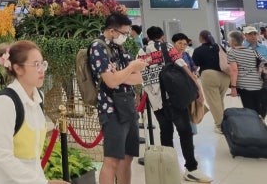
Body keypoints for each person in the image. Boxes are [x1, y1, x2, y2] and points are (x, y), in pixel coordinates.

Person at [0, 40, 68, 184]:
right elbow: (3, 156)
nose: (42, 70)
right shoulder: (5, 103)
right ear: (18, 69)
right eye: (36, 65)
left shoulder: (38, 97)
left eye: (43, 64)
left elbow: (33, 157)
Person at [138, 27, 211, 183]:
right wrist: (198, 89)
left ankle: (168, 167)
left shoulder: (142, 52)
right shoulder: (167, 47)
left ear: (148, 37)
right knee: (184, 131)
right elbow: (184, 67)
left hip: (155, 99)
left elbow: (141, 76)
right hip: (174, 96)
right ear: (162, 37)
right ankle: (191, 169)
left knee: (165, 132)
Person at [89, 12, 147, 184]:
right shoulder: (98, 47)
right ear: (112, 31)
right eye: (124, 33)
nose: (126, 37)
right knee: (112, 159)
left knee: (128, 157)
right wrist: (130, 68)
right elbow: (111, 81)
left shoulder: (120, 47)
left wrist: (121, 74)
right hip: (111, 109)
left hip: (128, 106)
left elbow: (138, 78)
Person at [192, 29, 230, 134]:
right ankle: (223, 122)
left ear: (201, 38)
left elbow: (194, 66)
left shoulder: (198, 50)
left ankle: (220, 125)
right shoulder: (219, 46)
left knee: (214, 102)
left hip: (210, 76)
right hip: (225, 76)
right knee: (219, 100)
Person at [227, 30, 267, 118]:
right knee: (259, 109)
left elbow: (234, 70)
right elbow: (264, 62)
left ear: (233, 41)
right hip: (258, 83)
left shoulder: (232, 52)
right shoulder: (252, 51)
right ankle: (261, 125)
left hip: (244, 85)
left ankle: (255, 128)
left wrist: (233, 87)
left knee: (249, 110)